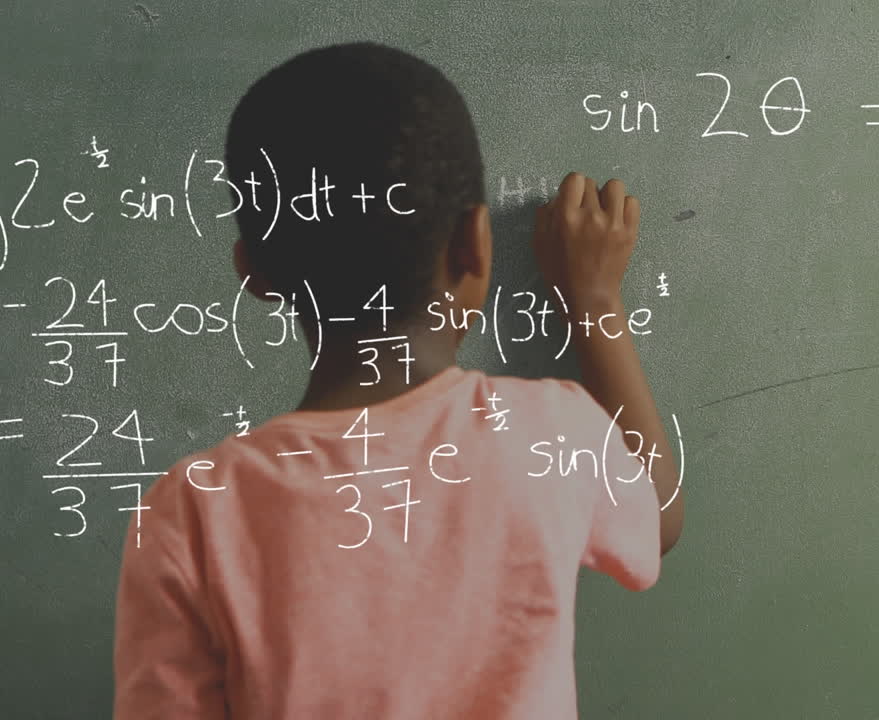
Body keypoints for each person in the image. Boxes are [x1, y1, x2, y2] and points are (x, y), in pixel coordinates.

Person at [113, 41, 684, 719]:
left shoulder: (192, 512)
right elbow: (656, 517)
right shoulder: (552, 432)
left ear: (253, 273)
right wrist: (595, 302)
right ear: (476, 245)